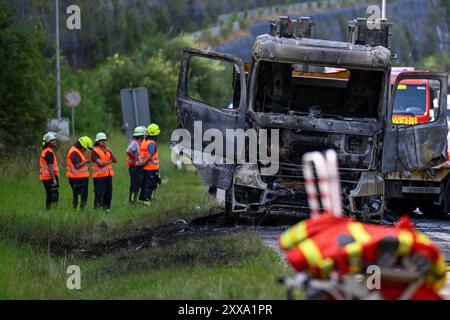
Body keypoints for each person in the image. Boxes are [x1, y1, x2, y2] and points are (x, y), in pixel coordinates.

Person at [91, 132, 117, 212]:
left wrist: (111, 152)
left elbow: (115, 160)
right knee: (99, 195)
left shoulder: (108, 150)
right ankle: (97, 211)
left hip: (108, 176)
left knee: (108, 194)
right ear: (97, 141)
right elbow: (100, 163)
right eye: (101, 140)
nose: (103, 141)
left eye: (105, 140)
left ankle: (107, 211)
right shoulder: (94, 151)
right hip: (99, 177)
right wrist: (109, 162)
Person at [66, 136, 92, 210]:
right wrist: (86, 161)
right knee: (82, 196)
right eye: (85, 149)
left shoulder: (77, 151)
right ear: (82, 146)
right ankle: (80, 211)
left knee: (77, 195)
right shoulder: (74, 152)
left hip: (79, 178)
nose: (85, 150)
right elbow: (77, 165)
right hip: (77, 178)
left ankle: (78, 211)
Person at [139, 123, 161, 205]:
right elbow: (150, 155)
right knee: (150, 185)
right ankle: (147, 201)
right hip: (150, 168)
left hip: (144, 168)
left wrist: (142, 164)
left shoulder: (144, 141)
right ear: (154, 134)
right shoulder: (151, 143)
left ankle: (142, 199)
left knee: (144, 184)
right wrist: (144, 163)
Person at [39, 132, 59, 210]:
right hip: (50, 178)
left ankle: (48, 212)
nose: (54, 142)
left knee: (49, 195)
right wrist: (54, 179)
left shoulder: (46, 151)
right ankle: (52, 212)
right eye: (52, 140)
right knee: (54, 196)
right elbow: (50, 166)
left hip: (47, 178)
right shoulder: (48, 152)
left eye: (54, 140)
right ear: (48, 142)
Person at [126, 126, 146, 204]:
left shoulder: (140, 143)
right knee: (134, 186)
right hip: (134, 168)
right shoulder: (134, 143)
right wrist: (136, 157)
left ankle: (138, 201)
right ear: (142, 135)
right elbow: (128, 151)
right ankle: (132, 202)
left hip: (139, 167)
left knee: (141, 185)